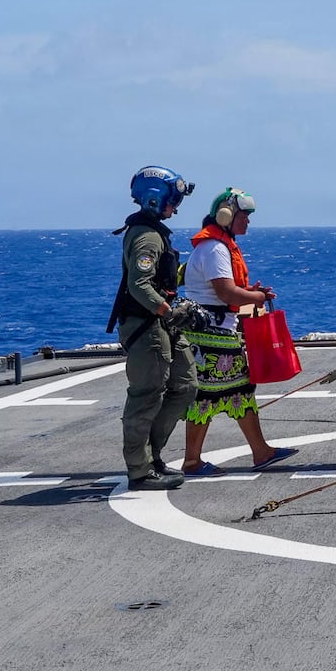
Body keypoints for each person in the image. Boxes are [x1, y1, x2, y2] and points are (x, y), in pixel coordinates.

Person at [179, 187, 298, 476]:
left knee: (239, 392)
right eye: (243, 215)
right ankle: (192, 461)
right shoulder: (215, 249)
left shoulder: (216, 245)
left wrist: (249, 292)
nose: (248, 220)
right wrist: (256, 297)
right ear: (226, 215)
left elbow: (227, 290)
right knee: (206, 397)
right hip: (212, 336)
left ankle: (260, 451)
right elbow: (226, 293)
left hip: (214, 333)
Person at [107, 165, 198, 491]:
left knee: (185, 386)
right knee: (146, 396)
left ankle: (152, 457)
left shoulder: (155, 233)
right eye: (173, 200)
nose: (176, 207)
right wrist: (168, 311)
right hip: (147, 327)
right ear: (155, 199)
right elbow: (139, 284)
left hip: (161, 324)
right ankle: (140, 470)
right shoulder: (147, 236)